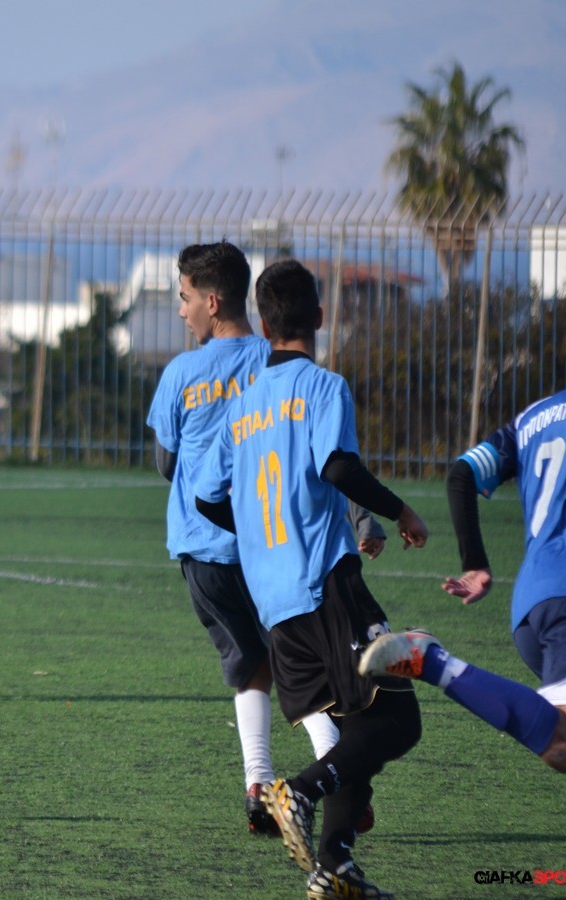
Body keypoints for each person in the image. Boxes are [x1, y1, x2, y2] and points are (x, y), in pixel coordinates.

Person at [194, 258, 427, 899]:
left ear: (264, 325)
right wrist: (400, 511)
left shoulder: (242, 405)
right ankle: (297, 792)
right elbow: (338, 467)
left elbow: (208, 498)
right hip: (327, 584)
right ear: (320, 317)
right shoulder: (324, 387)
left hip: (273, 602)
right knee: (400, 721)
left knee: (355, 729)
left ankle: (335, 864)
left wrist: (259, 535)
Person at [146, 242, 383, 838]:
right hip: (275, 551)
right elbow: (325, 451)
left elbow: (166, 464)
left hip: (203, 549)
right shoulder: (274, 363)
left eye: (184, 297)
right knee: (301, 671)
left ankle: (258, 784)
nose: (181, 310)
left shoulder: (180, 374)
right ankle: (339, 778)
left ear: (211, 301)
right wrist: (365, 516)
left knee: (248, 668)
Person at [361, 290, 566, 774]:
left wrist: (476, 562)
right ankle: (432, 661)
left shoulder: (532, 416)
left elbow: (462, 473)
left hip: (532, 607)